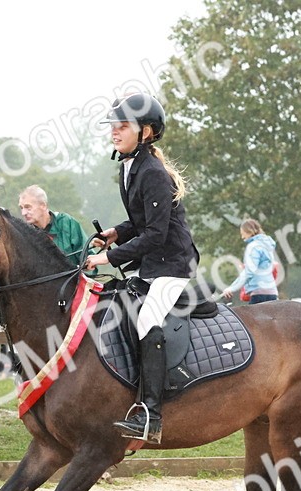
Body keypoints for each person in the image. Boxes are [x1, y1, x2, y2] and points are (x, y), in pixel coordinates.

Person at [84, 93, 199, 444]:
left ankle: (151, 413)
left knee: (148, 320)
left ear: (145, 132)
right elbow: (141, 221)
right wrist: (117, 232)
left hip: (173, 264)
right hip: (153, 262)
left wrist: (109, 258)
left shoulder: (152, 171)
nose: (114, 133)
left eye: (123, 127)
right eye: (113, 127)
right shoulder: (129, 166)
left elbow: (156, 233)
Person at [18, 185, 87, 268]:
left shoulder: (66, 223)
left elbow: (88, 259)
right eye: (21, 208)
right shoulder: (24, 235)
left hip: (75, 279)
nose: (23, 213)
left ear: (43, 206)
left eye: (28, 207)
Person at [221, 218, 278, 304]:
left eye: (243, 234)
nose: (242, 237)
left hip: (258, 293)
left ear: (249, 231)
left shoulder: (253, 247)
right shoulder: (267, 245)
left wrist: (231, 288)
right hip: (272, 292)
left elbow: (249, 272)